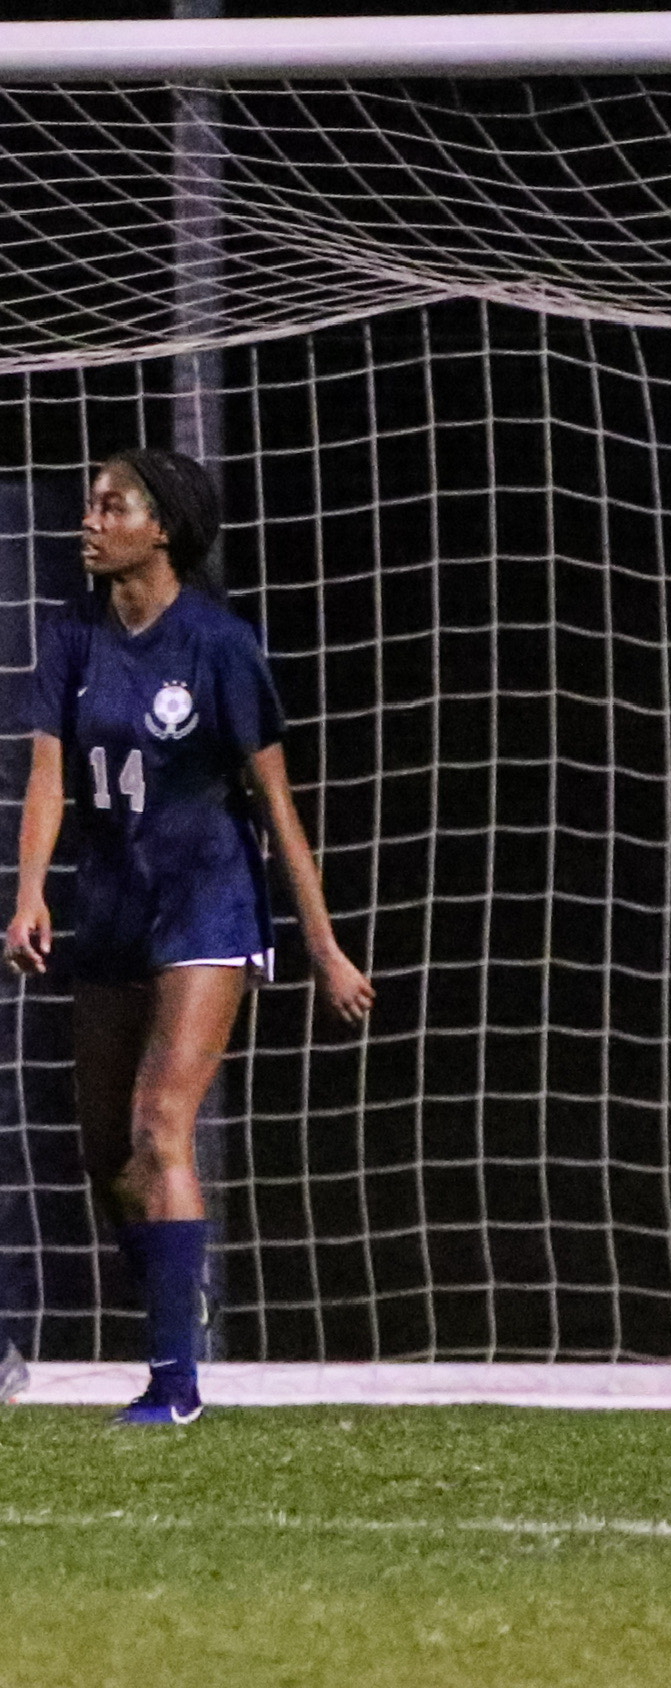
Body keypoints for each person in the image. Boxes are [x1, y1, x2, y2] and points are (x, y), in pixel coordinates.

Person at [4, 447, 374, 1425]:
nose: (88, 519)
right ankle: (179, 1292)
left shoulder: (218, 644)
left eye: (109, 504)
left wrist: (323, 943)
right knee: (104, 1153)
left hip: (207, 905)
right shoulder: (74, 634)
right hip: (112, 902)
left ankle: (176, 1381)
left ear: (160, 525)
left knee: (161, 1123)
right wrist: (32, 891)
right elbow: (48, 775)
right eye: (87, 503)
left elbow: (277, 806)